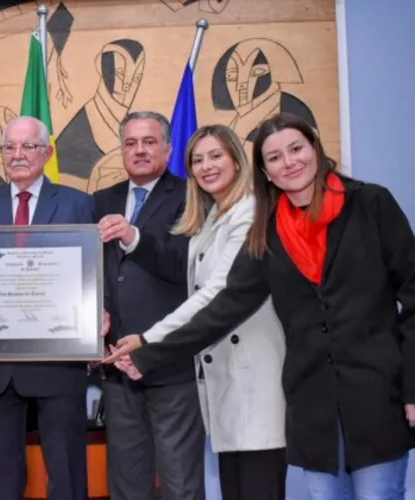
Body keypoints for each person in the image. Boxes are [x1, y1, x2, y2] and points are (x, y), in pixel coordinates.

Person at [107, 113, 415, 500]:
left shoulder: (371, 203)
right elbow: (228, 304)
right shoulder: (268, 229)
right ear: (265, 171)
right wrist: (151, 354)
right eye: (275, 157)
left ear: (315, 150)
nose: (289, 163)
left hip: (376, 394)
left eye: (296, 149)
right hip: (313, 401)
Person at [116, 124, 288, 499]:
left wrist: (149, 339)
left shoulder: (252, 212)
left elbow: (215, 294)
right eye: (197, 160)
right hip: (223, 379)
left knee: (258, 488)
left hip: (252, 376)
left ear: (238, 161)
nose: (206, 166)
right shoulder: (210, 219)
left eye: (216, 156)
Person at [0, 116, 97, 500]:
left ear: (47, 152)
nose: (18, 155)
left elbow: (91, 275)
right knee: (2, 479)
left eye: (29, 146)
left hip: (60, 362)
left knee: (66, 476)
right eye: (10, 147)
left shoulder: (79, 204)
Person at [93, 111, 205, 500]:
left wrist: (134, 236)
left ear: (168, 148)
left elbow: (187, 268)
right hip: (117, 364)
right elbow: (95, 271)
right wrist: (98, 310)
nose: (139, 150)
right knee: (126, 482)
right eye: (130, 143)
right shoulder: (101, 200)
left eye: (149, 141)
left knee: (181, 482)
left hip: (169, 362)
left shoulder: (193, 195)